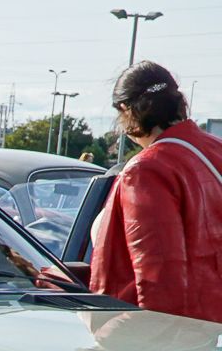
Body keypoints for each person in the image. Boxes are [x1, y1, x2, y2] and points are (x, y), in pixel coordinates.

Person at [89, 62, 222, 320]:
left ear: (127, 110)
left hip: (182, 336)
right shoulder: (215, 148)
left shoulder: (147, 170)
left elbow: (159, 281)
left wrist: (113, 350)